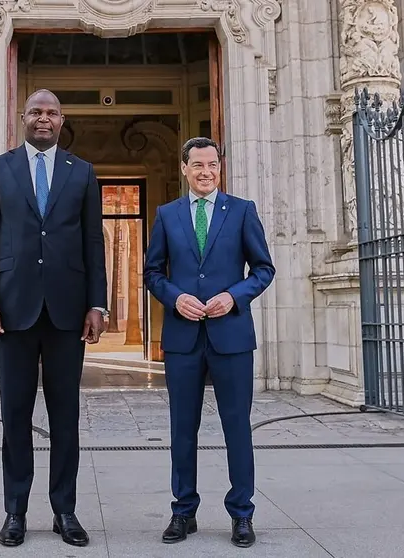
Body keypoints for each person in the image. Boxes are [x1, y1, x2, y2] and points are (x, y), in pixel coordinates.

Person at [0, 89, 108, 548]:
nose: (43, 119)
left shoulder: (83, 172)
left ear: (62, 120)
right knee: (14, 415)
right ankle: (15, 511)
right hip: (11, 310)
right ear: (23, 117)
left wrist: (98, 303)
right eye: (36, 112)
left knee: (65, 414)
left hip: (68, 310)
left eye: (51, 113)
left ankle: (65, 510)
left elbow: (94, 243)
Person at [143, 137, 275, 548]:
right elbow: (152, 273)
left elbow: (264, 269)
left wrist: (232, 296)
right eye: (198, 165)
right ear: (184, 168)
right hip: (183, 339)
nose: (206, 172)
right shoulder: (166, 215)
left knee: (237, 427)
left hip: (231, 336)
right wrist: (174, 297)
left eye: (213, 165)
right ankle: (183, 511)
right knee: (183, 428)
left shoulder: (241, 211)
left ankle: (241, 514)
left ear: (220, 167)